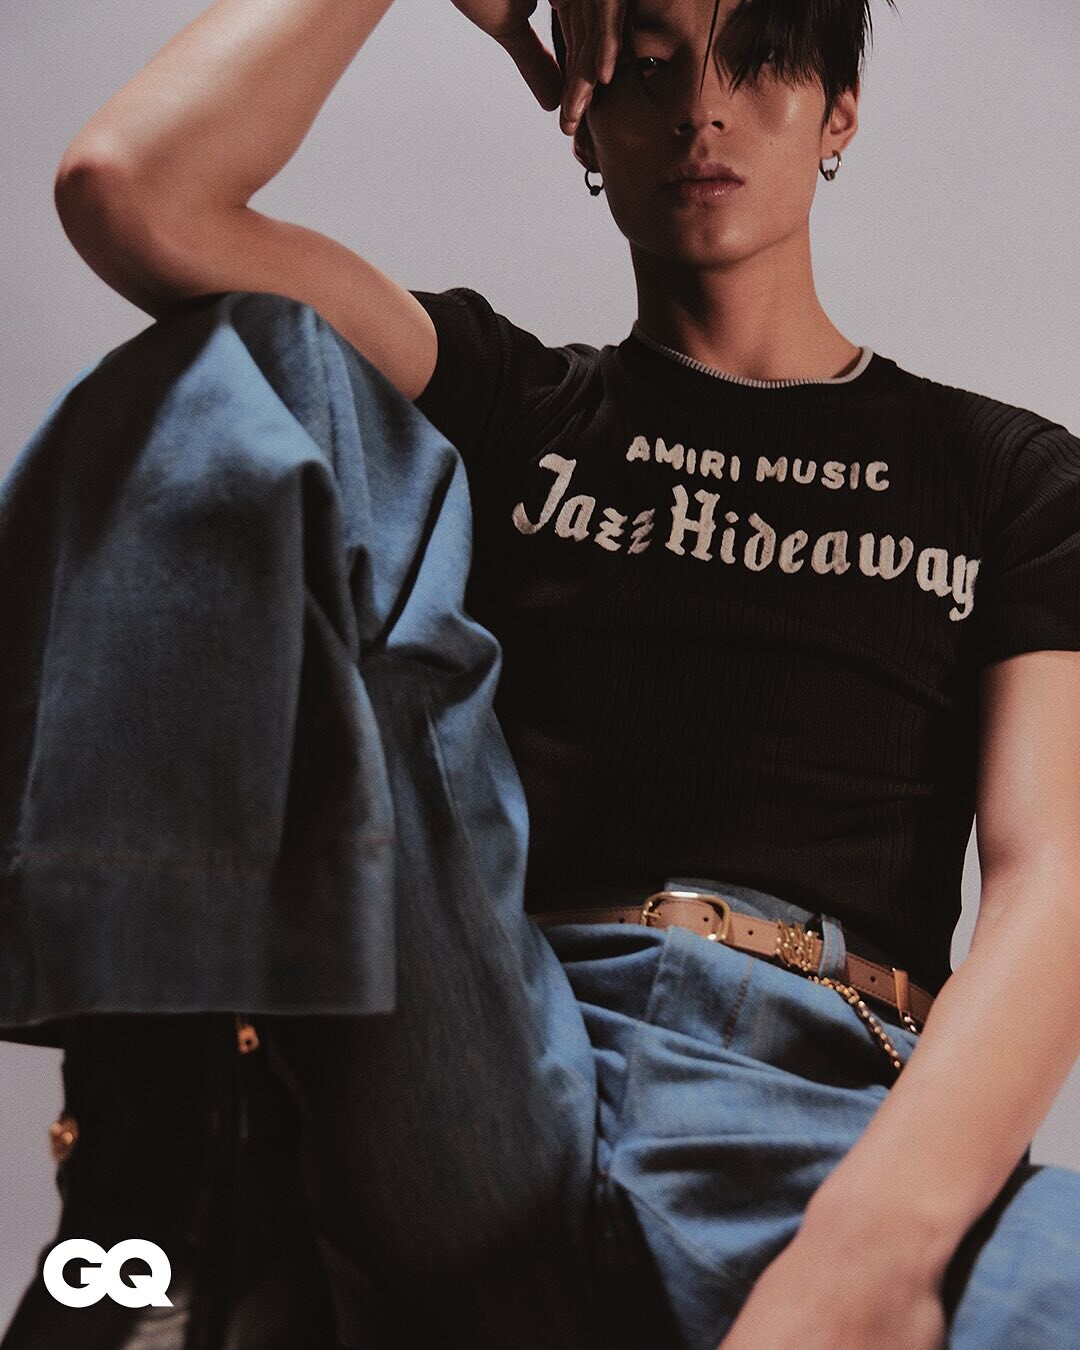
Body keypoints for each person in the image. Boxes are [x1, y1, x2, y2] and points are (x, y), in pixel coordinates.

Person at [4, 0, 1080, 1346]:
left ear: (840, 115)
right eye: (648, 69)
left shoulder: (1004, 475)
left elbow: (1054, 873)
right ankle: (152, 1155)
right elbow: (135, 189)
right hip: (490, 1066)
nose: (702, 111)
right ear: (582, 121)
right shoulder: (512, 401)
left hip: (828, 1107)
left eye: (761, 64)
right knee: (249, 359)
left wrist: (874, 1248)